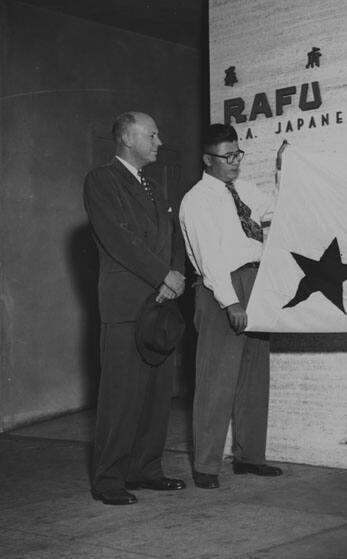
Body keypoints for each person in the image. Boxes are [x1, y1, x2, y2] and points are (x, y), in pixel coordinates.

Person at [83, 112, 186, 505]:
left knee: (157, 396)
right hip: (127, 306)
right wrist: (164, 275)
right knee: (120, 397)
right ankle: (108, 479)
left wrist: (175, 275)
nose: (159, 142)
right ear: (128, 137)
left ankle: (146, 470)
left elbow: (174, 237)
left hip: (162, 304)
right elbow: (119, 240)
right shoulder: (101, 181)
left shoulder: (154, 187)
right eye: (152, 135)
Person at [180, 124, 282, 489]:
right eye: (228, 157)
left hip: (256, 282)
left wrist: (289, 172)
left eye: (238, 154)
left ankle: (250, 457)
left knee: (254, 376)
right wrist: (231, 301)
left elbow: (278, 207)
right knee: (216, 379)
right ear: (208, 160)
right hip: (220, 288)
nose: (235, 162)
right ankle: (206, 466)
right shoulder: (197, 201)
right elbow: (209, 260)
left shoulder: (245, 189)